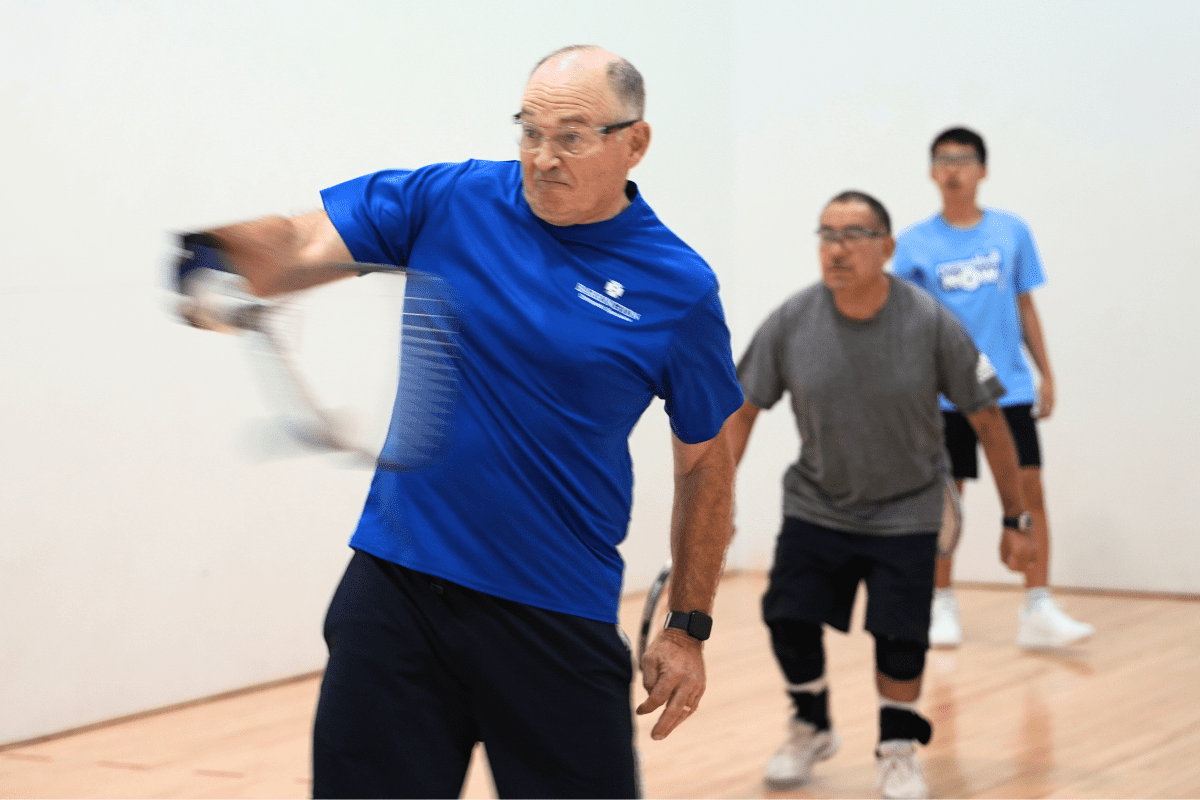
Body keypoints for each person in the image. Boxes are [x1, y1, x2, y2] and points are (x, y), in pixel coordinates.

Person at [173, 45, 743, 799]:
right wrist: (216, 251)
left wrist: (688, 624)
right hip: (397, 591)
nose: (543, 157)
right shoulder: (450, 200)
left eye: (571, 136)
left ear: (634, 142)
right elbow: (301, 240)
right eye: (529, 132)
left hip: (552, 610)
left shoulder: (678, 288)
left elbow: (706, 462)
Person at [727, 191, 1037, 799]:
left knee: (900, 635)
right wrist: (718, 502)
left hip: (909, 505)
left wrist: (1014, 516)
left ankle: (897, 747)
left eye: (854, 234)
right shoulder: (791, 321)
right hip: (818, 501)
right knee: (786, 617)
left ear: (888, 248)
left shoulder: (930, 321)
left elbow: (989, 422)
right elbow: (741, 411)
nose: (836, 248)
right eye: (826, 234)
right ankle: (811, 725)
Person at [892, 127, 1093, 649]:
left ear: (982, 169)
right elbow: (907, 323)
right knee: (945, 502)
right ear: (932, 171)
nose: (953, 169)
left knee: (1030, 493)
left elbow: (1025, 305)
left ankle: (1038, 607)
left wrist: (1045, 372)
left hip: (1007, 391)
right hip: (942, 395)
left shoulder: (1011, 232)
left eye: (963, 159)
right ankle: (940, 605)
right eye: (942, 160)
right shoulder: (915, 242)